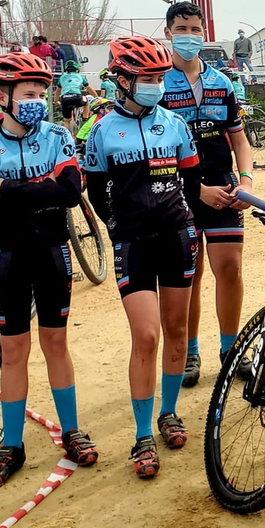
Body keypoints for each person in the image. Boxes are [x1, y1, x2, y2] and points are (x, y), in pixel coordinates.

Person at [0, 52, 98, 487]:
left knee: (56, 344)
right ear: (2, 96)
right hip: (8, 254)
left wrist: (10, 187)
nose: (38, 102)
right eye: (29, 94)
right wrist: (38, 189)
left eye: (42, 94)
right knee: (13, 352)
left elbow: (70, 191)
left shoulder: (59, 135)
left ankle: (72, 432)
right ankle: (12, 446)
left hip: (51, 251)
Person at [85, 36, 202, 479]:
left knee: (176, 330)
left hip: (176, 236)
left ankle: (168, 413)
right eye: (147, 78)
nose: (156, 84)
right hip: (133, 243)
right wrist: (122, 226)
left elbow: (191, 181)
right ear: (121, 79)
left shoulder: (174, 124)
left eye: (159, 76)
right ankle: (141, 435)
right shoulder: (101, 130)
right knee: (147, 337)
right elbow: (97, 194)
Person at [161, 2, 255, 388]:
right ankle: (190, 350)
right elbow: (157, 149)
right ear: (168, 33)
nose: (190, 36)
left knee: (229, 269)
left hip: (224, 185)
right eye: (182, 28)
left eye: (196, 28)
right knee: (191, 273)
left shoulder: (222, 82)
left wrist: (246, 182)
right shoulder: (157, 83)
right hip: (179, 189)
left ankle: (230, 350)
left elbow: (239, 138)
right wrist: (196, 189)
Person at [54, 60, 96, 135]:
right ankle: (84, 120)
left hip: (65, 99)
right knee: (86, 102)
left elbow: (57, 91)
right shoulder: (80, 76)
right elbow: (90, 89)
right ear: (77, 69)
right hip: (77, 97)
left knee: (66, 120)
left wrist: (56, 101)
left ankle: (65, 136)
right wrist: (96, 97)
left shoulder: (62, 77)